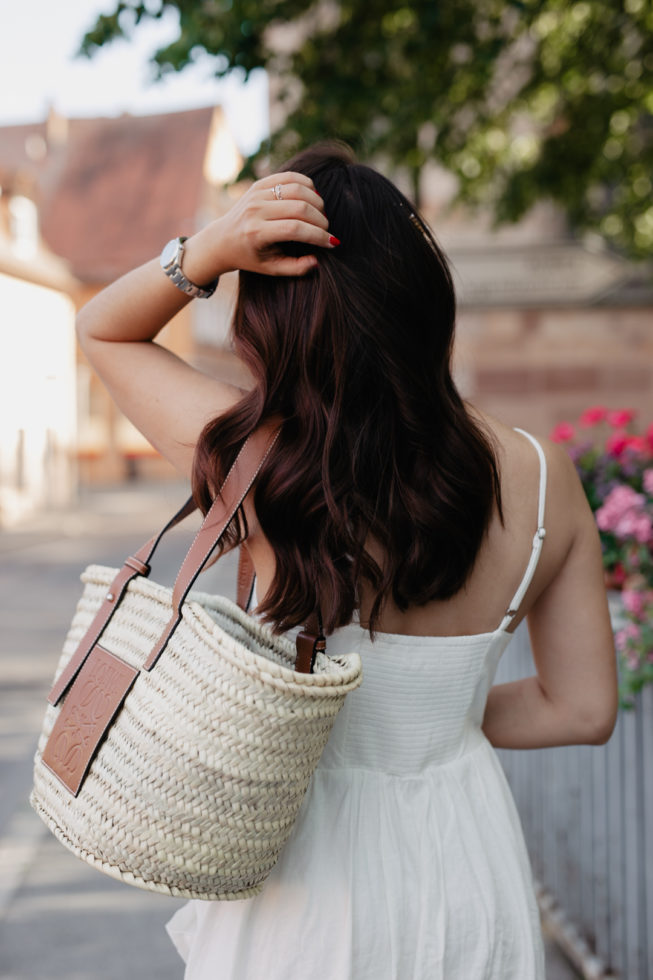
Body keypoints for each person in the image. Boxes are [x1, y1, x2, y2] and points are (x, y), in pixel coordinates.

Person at [76, 143, 618, 979]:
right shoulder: (543, 478)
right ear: (421, 297)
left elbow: (103, 328)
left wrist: (212, 248)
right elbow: (580, 709)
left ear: (276, 319)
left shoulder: (260, 459)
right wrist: (428, 716)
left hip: (306, 886)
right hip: (467, 868)